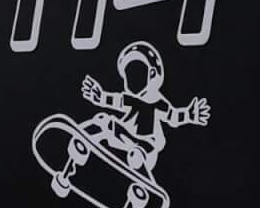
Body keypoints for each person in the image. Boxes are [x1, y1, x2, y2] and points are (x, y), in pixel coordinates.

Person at [80, 41, 209, 179]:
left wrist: (189, 114)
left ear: (151, 73)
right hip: (124, 136)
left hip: (146, 146)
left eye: (136, 71)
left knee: (138, 153)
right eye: (127, 73)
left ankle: (138, 172)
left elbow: (173, 116)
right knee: (102, 120)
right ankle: (81, 142)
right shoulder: (130, 99)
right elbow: (115, 101)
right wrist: (100, 97)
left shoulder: (157, 102)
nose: (130, 78)